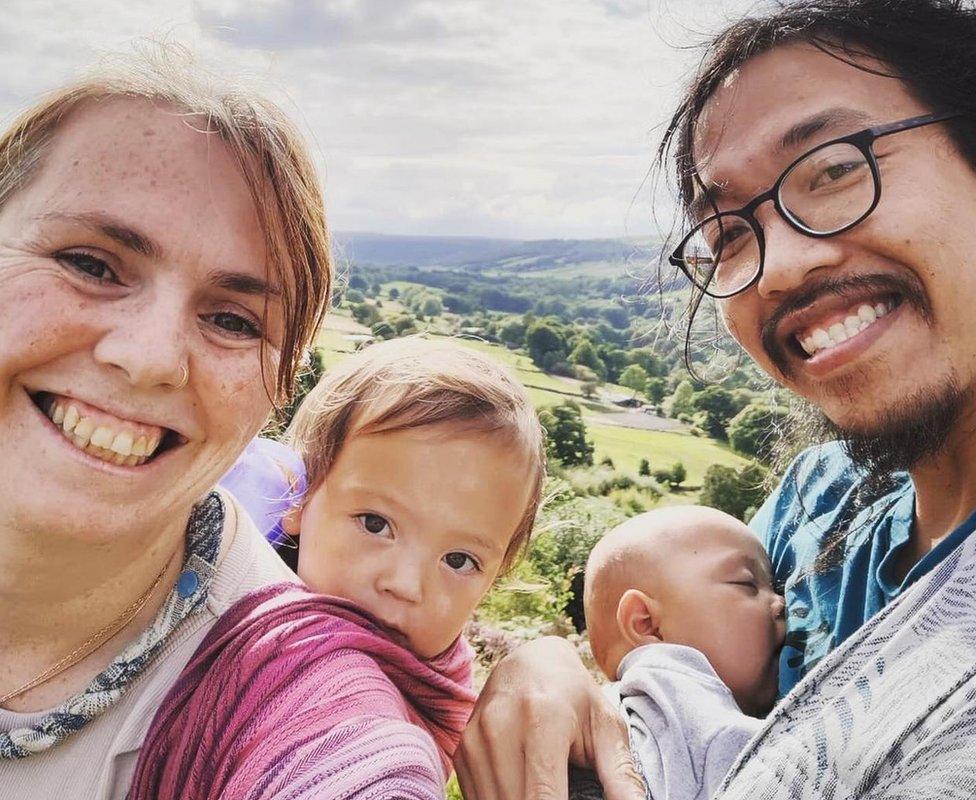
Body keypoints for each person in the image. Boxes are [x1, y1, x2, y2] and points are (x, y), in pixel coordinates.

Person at [455, 1, 976, 798]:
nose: (778, 268)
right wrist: (552, 668)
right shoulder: (818, 503)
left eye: (835, 168)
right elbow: (664, 639)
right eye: (729, 233)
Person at [0, 47, 332, 799]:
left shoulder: (293, 708)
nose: (149, 359)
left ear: (278, 390)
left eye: (231, 319)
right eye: (91, 263)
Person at [129, 336, 547, 798]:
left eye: (459, 560)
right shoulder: (208, 606)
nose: (405, 584)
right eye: (375, 524)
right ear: (301, 498)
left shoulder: (450, 686)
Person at [583, 507, 785, 800]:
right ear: (647, 624)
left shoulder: (617, 709)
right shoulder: (673, 685)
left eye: (775, 587)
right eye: (747, 584)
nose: (780, 602)